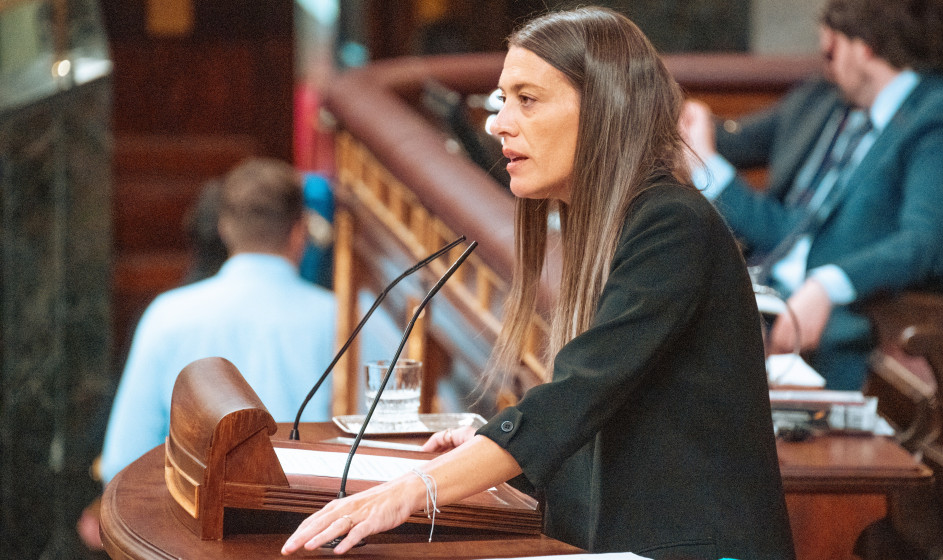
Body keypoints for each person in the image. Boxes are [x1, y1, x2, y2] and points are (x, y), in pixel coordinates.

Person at [282, 7, 795, 560]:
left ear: (604, 110)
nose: (500, 123)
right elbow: (608, 422)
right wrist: (489, 451)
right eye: (502, 100)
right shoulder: (608, 222)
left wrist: (416, 488)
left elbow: (580, 396)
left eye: (527, 100)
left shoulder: (671, 224)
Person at [680, 0, 943, 390]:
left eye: (831, 52)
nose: (826, 67)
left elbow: (928, 242)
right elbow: (735, 139)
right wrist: (681, 118)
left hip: (853, 316)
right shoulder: (832, 99)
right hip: (770, 287)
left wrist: (827, 285)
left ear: (865, 48)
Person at [99, 157, 392, 486]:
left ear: (224, 229)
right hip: (319, 514)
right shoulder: (352, 321)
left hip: (194, 516)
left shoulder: (166, 317)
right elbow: (385, 448)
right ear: (300, 232)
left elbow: (123, 463)